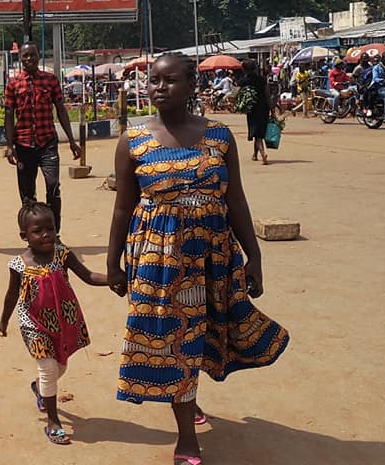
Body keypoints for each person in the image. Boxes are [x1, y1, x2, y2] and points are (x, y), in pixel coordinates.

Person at [106, 55, 289, 465]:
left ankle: (187, 393)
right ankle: (186, 432)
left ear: (191, 85)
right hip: (159, 260)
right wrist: (113, 263)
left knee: (206, 333)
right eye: (153, 81)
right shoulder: (132, 140)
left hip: (213, 255)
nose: (158, 87)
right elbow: (122, 207)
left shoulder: (220, 136)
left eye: (169, 81)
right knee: (174, 338)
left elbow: (235, 198)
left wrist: (254, 255)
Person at [0, 202, 106, 445]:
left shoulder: (63, 254)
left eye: (50, 228)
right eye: (37, 231)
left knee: (60, 366)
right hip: (33, 323)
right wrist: (2, 322)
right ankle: (54, 421)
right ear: (24, 236)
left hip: (63, 319)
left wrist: (116, 279)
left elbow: (88, 276)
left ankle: (39, 388)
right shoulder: (19, 265)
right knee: (49, 368)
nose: (45, 235)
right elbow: (11, 295)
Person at [3, 43, 83, 236]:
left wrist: (72, 141)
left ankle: (54, 233)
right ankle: (31, 234)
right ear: (20, 58)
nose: (29, 59)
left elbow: (61, 110)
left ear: (39, 56)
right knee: (27, 194)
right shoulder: (13, 83)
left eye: (32, 55)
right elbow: (8, 115)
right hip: (23, 144)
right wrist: (9, 146)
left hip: (47, 142)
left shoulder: (50, 80)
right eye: (25, 56)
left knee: (53, 187)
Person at [238, 59, 273, 165]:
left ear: (244, 69)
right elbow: (267, 95)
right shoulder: (262, 79)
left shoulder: (243, 81)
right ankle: (255, 154)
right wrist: (272, 109)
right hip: (264, 108)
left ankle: (263, 154)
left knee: (256, 133)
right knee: (258, 132)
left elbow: (237, 93)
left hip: (253, 109)